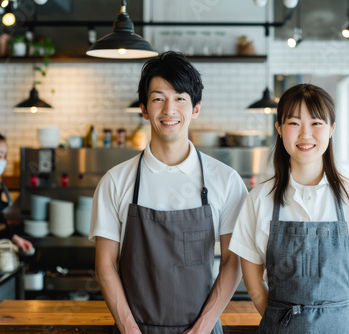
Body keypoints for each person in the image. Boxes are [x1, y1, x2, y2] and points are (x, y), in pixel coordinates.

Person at [90, 51, 247, 334]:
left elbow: (232, 261)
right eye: (158, 98)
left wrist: (203, 327)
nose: (169, 111)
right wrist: (129, 328)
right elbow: (105, 265)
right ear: (144, 108)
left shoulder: (226, 180)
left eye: (180, 98)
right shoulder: (115, 181)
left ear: (196, 108)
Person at [229, 84, 349, 333]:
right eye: (294, 123)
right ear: (279, 130)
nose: (305, 134)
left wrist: (333, 317)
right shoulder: (259, 199)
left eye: (316, 123)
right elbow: (253, 284)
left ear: (331, 129)